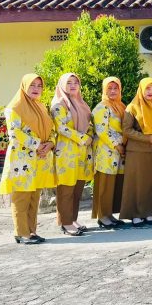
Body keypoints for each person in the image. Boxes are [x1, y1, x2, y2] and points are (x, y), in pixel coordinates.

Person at [0, 74, 55, 244]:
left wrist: (50, 143)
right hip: (21, 159)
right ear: (24, 86)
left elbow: (51, 128)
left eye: (39, 85)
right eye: (32, 85)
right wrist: (37, 145)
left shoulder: (41, 107)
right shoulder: (14, 107)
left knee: (34, 197)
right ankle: (21, 233)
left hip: (40, 158)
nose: (36, 89)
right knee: (21, 197)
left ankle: (31, 231)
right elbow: (14, 133)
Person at [50, 73, 93, 236]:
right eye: (69, 82)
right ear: (62, 85)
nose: (73, 85)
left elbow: (90, 124)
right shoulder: (58, 104)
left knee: (77, 189)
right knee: (66, 189)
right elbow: (61, 127)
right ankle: (65, 222)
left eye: (76, 82)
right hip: (66, 153)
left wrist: (89, 135)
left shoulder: (82, 104)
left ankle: (73, 219)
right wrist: (82, 138)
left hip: (82, 152)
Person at [120, 77, 152, 226]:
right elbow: (127, 130)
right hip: (137, 152)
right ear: (141, 90)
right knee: (136, 183)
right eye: (147, 88)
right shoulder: (132, 107)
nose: (150, 92)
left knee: (151, 183)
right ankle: (135, 214)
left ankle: (148, 212)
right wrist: (148, 138)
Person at [91, 77, 127, 229]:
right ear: (104, 90)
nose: (113, 91)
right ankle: (102, 216)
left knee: (113, 184)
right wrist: (117, 145)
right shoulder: (102, 107)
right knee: (104, 184)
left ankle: (109, 214)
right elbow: (101, 130)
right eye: (109, 88)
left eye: (115, 88)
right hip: (106, 151)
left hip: (118, 152)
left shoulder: (121, 106)